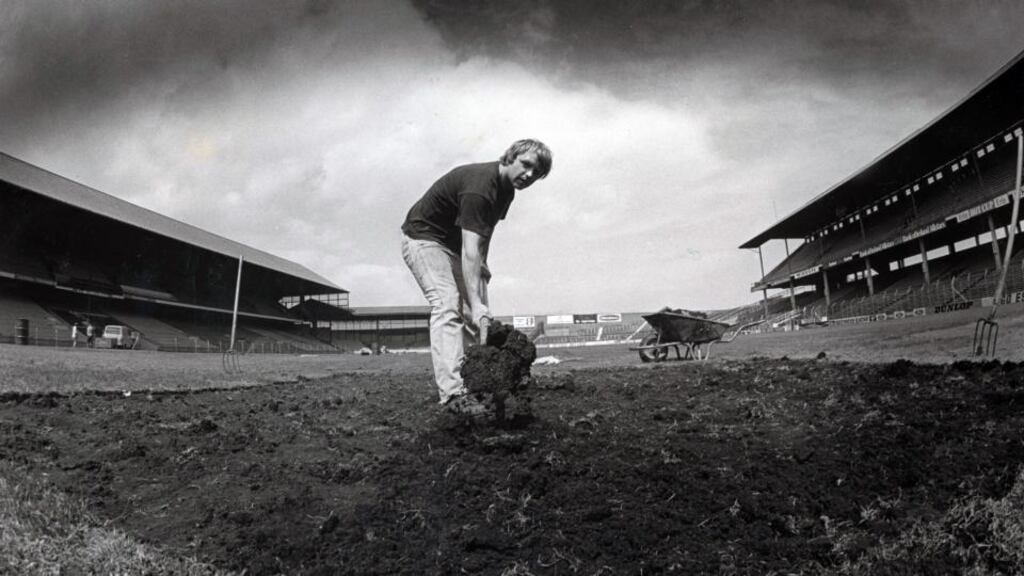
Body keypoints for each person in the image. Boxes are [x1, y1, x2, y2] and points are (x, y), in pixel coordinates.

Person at [401, 139, 553, 414]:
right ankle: (453, 394)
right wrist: (477, 293)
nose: (529, 175)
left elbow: (485, 230)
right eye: (526, 165)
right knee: (447, 304)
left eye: (536, 173)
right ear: (510, 157)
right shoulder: (481, 188)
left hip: (454, 246)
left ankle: (479, 383)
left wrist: (483, 263)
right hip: (424, 239)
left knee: (476, 317)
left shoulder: (506, 192)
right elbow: (470, 247)